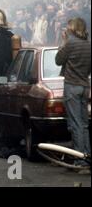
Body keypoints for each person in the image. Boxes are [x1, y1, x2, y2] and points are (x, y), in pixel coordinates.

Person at [55, 18, 91, 168]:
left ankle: (80, 160)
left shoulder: (70, 43)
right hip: (85, 86)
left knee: (75, 124)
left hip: (72, 86)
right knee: (83, 124)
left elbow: (58, 60)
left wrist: (63, 42)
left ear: (73, 28)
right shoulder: (88, 44)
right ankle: (87, 155)